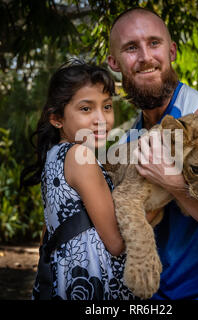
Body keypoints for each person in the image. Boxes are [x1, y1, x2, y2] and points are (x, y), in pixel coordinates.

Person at [107, 7, 198, 299]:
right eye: (132, 48)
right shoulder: (132, 135)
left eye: (154, 43)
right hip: (156, 293)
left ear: (172, 51)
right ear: (114, 62)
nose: (146, 56)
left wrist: (172, 181)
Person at [21, 60, 135, 300]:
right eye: (86, 109)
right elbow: (115, 243)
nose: (100, 118)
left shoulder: (55, 156)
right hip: (90, 280)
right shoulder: (80, 156)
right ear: (57, 118)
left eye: (106, 107)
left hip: (62, 278)